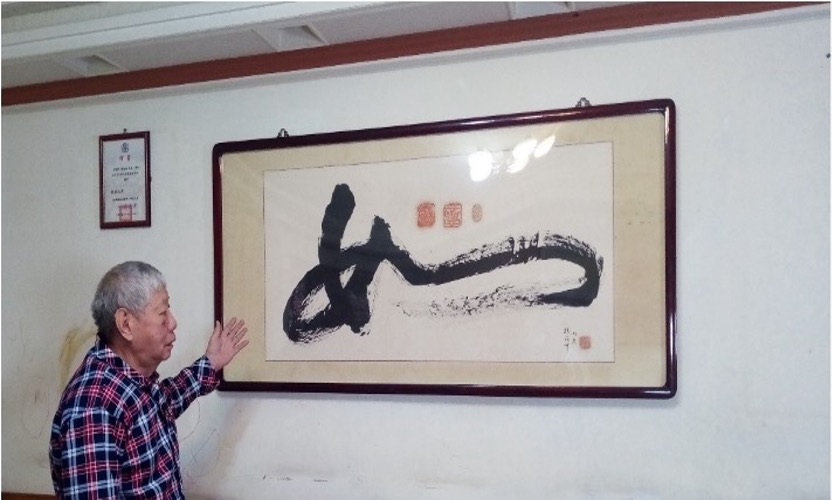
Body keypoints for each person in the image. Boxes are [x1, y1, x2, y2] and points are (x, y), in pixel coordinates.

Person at [49, 261, 249, 499]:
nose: (173, 322)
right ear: (126, 323)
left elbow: (164, 402)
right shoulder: (94, 406)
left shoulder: (131, 383)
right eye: (163, 313)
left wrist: (211, 362)